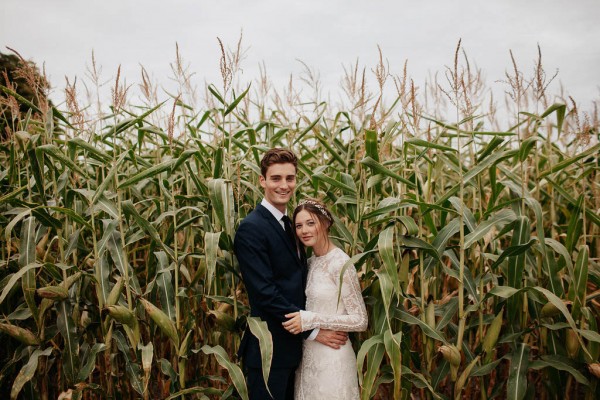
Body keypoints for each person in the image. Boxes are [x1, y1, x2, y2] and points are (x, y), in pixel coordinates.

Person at [234, 148, 349, 400]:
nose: (284, 185)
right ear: (262, 181)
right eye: (276, 178)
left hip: (299, 353)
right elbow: (265, 294)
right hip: (270, 352)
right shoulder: (251, 229)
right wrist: (315, 331)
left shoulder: (293, 225)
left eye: (290, 178)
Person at [282, 198, 368, 400]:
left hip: (333, 357)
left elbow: (360, 320)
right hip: (308, 358)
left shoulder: (341, 263)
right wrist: (310, 325)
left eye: (311, 223)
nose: (304, 230)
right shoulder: (309, 263)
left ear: (326, 223)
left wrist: (312, 319)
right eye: (299, 226)